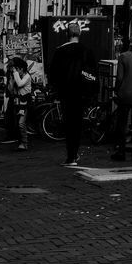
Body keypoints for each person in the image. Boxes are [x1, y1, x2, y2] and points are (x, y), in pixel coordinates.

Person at [47, 24, 97, 167]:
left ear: (67, 34)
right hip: (81, 93)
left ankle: (71, 156)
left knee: (68, 123)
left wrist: (55, 90)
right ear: (79, 34)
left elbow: (53, 74)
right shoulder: (87, 51)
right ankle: (74, 153)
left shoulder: (60, 51)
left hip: (66, 93)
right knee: (77, 123)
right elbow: (93, 73)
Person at [8, 57, 33, 151]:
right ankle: (21, 142)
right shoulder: (16, 76)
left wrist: (14, 73)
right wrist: (11, 81)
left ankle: (24, 143)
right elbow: (11, 91)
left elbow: (20, 84)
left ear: (21, 68)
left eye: (17, 69)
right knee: (18, 124)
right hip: (17, 103)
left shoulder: (27, 76)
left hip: (25, 103)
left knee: (21, 123)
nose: (16, 71)